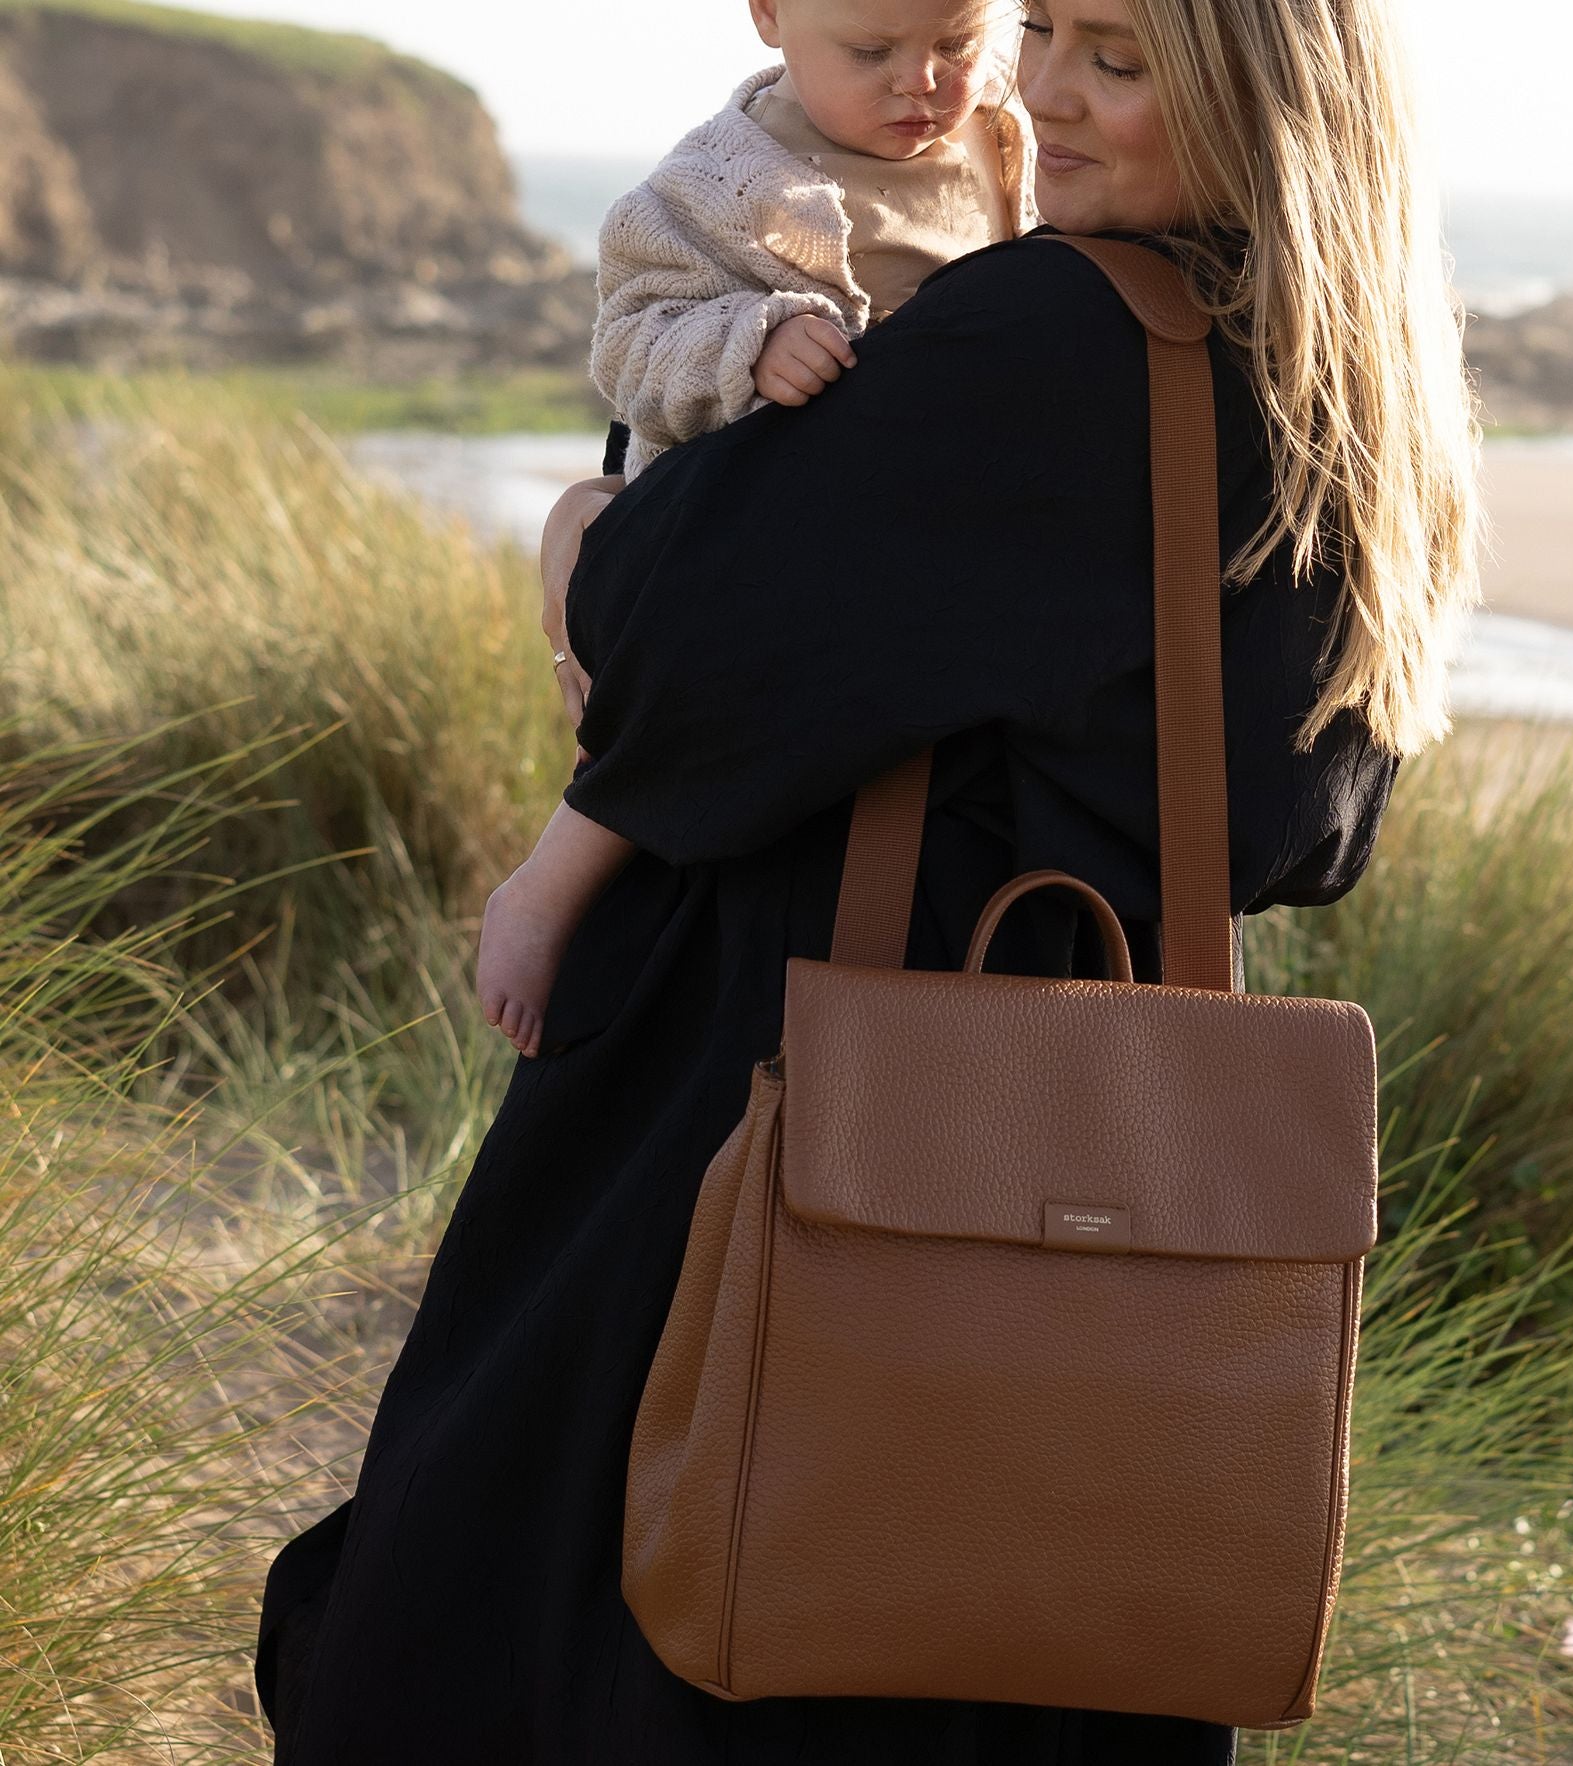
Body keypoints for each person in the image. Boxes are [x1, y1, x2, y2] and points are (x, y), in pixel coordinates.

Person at [252, 0, 1486, 1759]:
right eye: (1047, 24)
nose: (1036, 91)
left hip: (785, 1103)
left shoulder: (1053, 333)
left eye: (1118, 61)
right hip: (1103, 1185)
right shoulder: (1333, 381)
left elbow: (685, 637)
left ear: (1271, 107)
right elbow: (1311, 830)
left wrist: (580, 548)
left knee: (537, 1616)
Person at [478, 0, 1037, 1055]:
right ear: (771, 15)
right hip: (732, 520)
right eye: (871, 53)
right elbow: (630, 340)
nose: (921, 82)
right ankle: (550, 883)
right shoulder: (718, 182)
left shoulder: (1005, 132)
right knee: (692, 694)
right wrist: (750, 337)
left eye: (957, 43)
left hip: (912, 520)